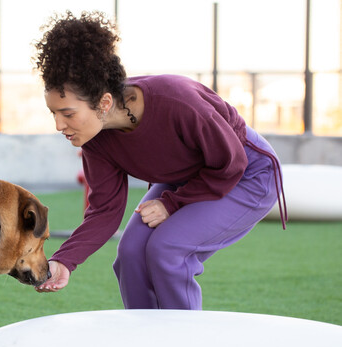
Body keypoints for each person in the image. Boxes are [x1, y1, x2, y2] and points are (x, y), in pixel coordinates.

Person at [33, 11, 286, 309]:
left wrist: (172, 203)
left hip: (246, 174)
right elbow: (105, 210)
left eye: (67, 114)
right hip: (188, 176)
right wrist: (65, 260)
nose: (59, 125)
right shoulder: (95, 139)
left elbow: (230, 163)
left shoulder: (177, 101)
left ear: (103, 103)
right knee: (130, 252)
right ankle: (148, 345)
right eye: (54, 113)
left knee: (168, 249)